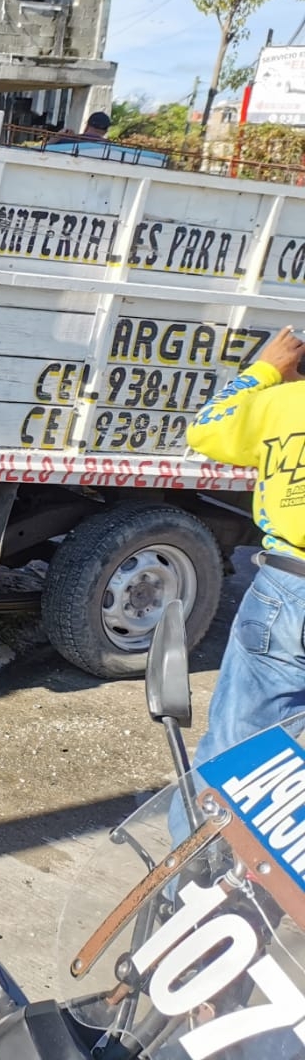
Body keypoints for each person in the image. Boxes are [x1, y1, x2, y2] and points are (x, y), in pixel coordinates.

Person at [184, 325, 305, 768]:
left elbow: (205, 430)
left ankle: (217, 838)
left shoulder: (282, 406)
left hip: (289, 584)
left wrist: (264, 371)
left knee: (241, 753)